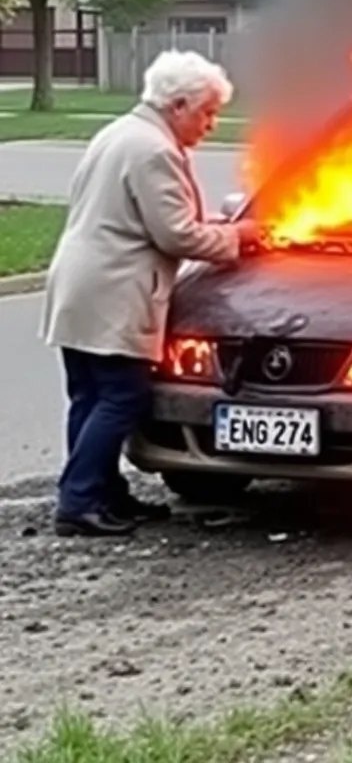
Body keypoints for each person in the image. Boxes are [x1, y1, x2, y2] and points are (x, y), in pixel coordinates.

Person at [41, 50, 261, 537]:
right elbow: (175, 236)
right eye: (206, 112)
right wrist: (238, 237)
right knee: (123, 396)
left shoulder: (118, 132)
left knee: (89, 395)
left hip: (79, 285)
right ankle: (79, 502)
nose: (210, 124)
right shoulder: (154, 150)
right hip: (114, 290)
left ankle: (99, 492)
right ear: (178, 105)